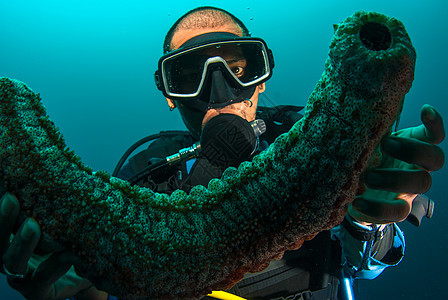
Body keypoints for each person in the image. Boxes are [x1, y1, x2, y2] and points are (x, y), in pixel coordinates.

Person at [0, 6, 445, 300]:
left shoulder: (307, 136)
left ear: (262, 76)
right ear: (170, 95)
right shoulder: (148, 176)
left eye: (237, 68)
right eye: (189, 75)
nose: (219, 93)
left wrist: (369, 217)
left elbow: (362, 266)